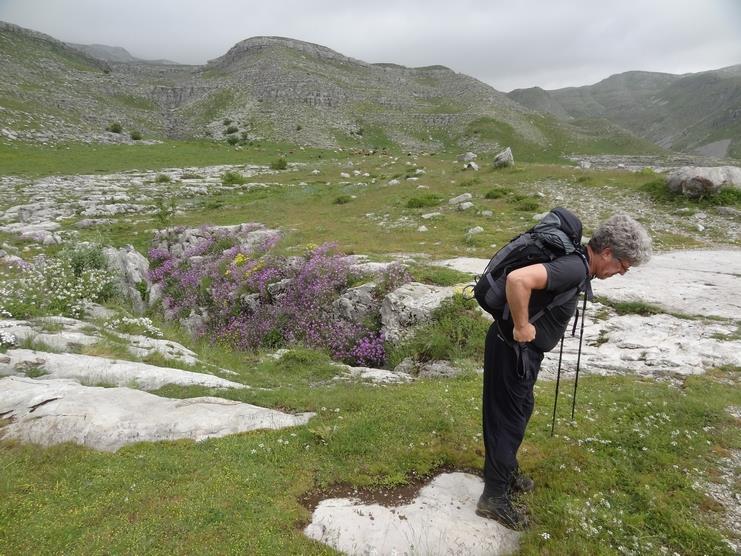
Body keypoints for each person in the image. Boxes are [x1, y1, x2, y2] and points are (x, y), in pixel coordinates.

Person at [476, 212, 652, 530]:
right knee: (509, 421)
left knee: (515, 413)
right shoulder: (573, 267)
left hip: (514, 351)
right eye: (623, 266)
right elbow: (518, 281)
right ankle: (494, 497)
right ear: (608, 252)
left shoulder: (576, 264)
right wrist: (522, 326)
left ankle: (504, 472)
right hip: (514, 350)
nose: (621, 273)